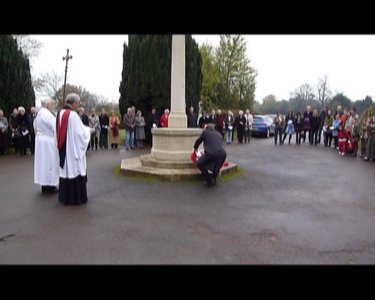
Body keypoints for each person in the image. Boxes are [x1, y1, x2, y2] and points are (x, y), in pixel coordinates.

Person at [56, 93, 92, 205]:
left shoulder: (60, 113)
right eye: (77, 103)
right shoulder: (73, 115)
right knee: (74, 169)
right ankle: (76, 198)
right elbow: (79, 134)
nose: (78, 105)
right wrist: (88, 131)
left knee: (66, 170)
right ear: (73, 102)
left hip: (64, 149)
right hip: (72, 150)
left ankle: (64, 197)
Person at [34, 98, 59, 193]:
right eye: (52, 104)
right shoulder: (48, 115)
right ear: (48, 105)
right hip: (48, 141)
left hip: (40, 140)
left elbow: (35, 126)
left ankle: (44, 184)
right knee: (49, 162)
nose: (53, 106)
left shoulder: (39, 114)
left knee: (42, 163)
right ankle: (50, 184)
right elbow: (56, 126)